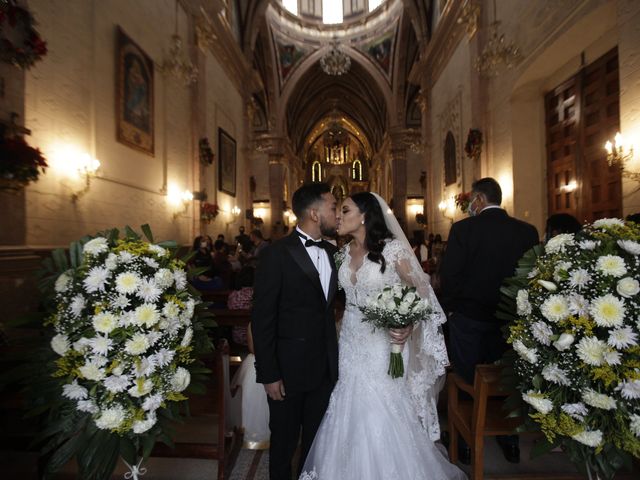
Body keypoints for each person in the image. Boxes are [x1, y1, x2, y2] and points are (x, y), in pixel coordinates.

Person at [299, 192, 465, 480]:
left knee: (380, 410)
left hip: (384, 347)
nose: (338, 216)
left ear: (364, 215)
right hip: (350, 344)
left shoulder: (393, 250)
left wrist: (408, 324)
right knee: (347, 406)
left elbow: (423, 294)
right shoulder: (340, 254)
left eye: (345, 210)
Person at [439, 177, 539, 464]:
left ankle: (467, 442)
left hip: (469, 319)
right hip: (510, 322)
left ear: (479, 200)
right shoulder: (526, 231)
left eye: (472, 200)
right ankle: (510, 442)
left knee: (468, 378)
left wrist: (453, 310)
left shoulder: (463, 229)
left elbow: (450, 276)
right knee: (506, 380)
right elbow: (532, 276)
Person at [252, 182, 339, 480]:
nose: (337, 213)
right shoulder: (276, 254)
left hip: (325, 369)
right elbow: (262, 318)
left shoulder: (332, 252)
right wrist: (269, 374)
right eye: (332, 207)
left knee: (317, 444)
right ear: (314, 213)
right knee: (284, 444)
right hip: (287, 372)